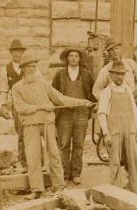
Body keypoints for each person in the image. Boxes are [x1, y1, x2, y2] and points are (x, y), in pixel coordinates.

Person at [10, 51, 92, 196]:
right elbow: (20, 108)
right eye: (29, 66)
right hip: (30, 125)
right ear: (23, 68)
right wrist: (41, 107)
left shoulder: (43, 84)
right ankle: (37, 189)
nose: (32, 69)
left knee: (54, 155)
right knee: (32, 157)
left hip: (48, 123)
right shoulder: (17, 88)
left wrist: (81, 102)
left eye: (34, 66)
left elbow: (61, 99)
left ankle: (59, 186)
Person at [93, 40, 137, 179]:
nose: (114, 52)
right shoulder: (105, 70)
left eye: (117, 48)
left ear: (120, 49)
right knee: (122, 136)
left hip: (135, 101)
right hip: (117, 105)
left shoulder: (130, 64)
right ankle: (126, 168)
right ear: (108, 53)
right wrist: (109, 97)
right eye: (111, 50)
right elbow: (96, 90)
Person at [95, 61, 137, 193]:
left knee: (134, 158)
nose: (120, 77)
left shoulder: (128, 90)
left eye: (122, 74)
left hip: (130, 129)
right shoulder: (107, 92)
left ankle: (136, 188)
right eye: (117, 74)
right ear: (111, 75)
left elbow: (134, 110)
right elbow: (101, 114)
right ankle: (116, 190)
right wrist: (106, 133)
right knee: (115, 161)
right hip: (114, 130)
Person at [51, 47, 96, 185]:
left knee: (78, 145)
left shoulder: (87, 74)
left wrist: (91, 107)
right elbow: (53, 95)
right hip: (64, 114)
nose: (74, 58)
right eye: (71, 56)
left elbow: (93, 93)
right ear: (67, 58)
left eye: (76, 56)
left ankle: (76, 174)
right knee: (64, 145)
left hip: (81, 115)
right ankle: (64, 174)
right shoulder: (60, 74)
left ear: (80, 58)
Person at [0, 38, 28, 171]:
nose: (17, 54)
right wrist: (4, 105)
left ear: (23, 53)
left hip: (31, 105)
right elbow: (3, 89)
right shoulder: (6, 69)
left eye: (19, 51)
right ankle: (23, 163)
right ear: (11, 53)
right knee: (21, 134)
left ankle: (37, 162)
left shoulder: (29, 66)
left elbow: (40, 84)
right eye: (14, 51)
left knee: (34, 133)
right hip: (17, 107)